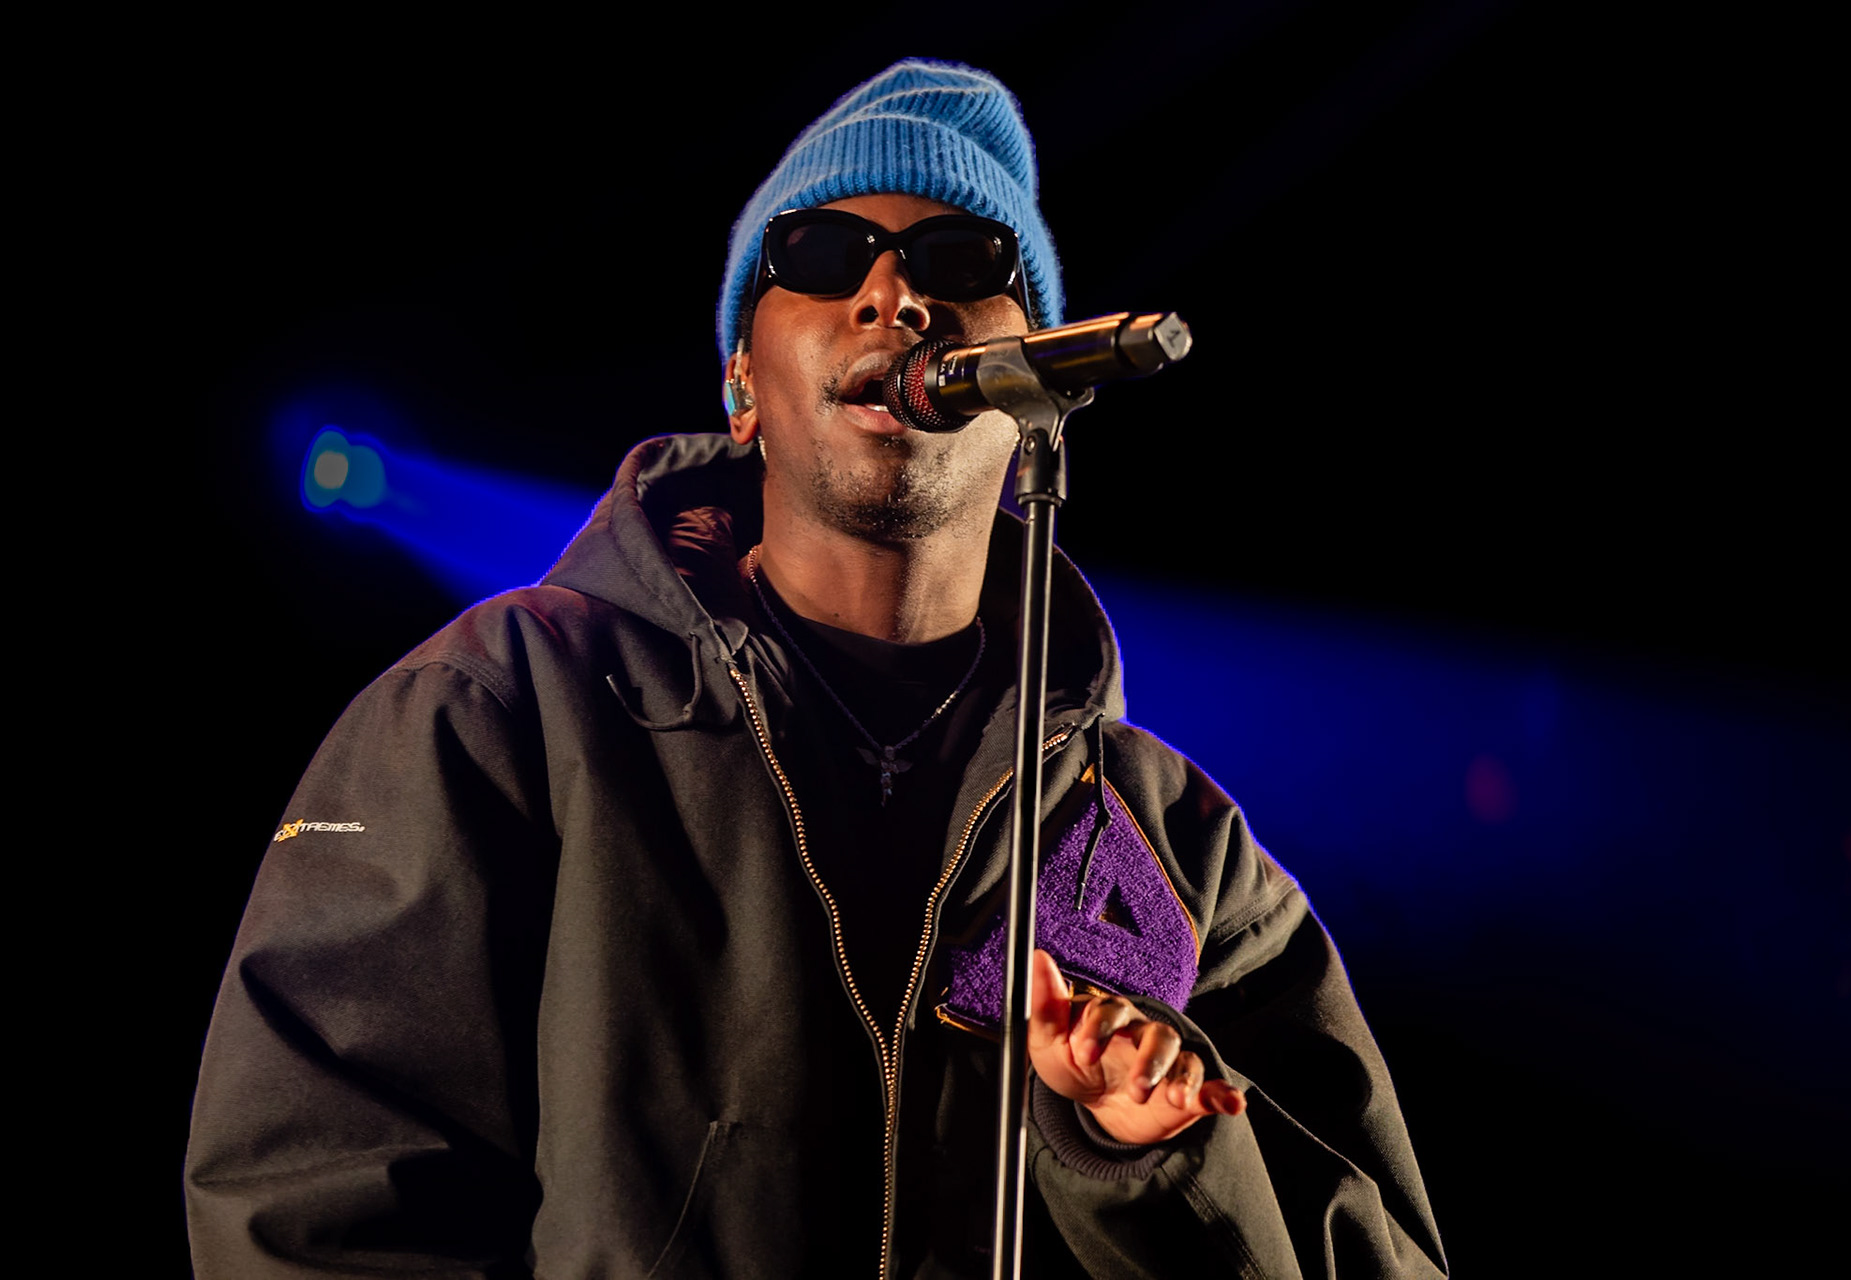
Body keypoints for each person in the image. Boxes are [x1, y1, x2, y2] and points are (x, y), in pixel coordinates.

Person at [186, 60, 1447, 1279]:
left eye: (964, 264)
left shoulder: (1177, 855)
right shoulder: (502, 709)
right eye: (825, 256)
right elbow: (315, 1201)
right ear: (742, 382)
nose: (895, 296)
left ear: (1037, 392)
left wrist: (1158, 1156)